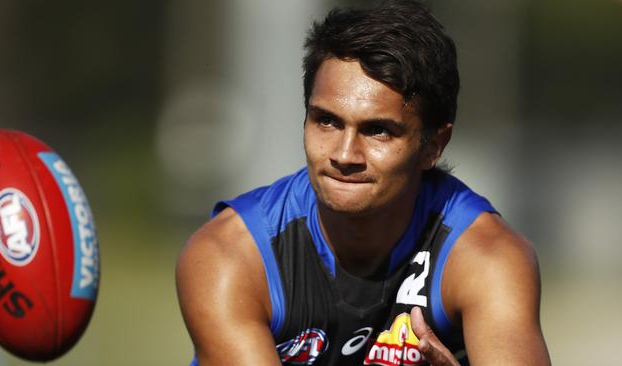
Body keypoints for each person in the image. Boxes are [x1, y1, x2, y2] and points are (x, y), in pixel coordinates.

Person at [175, 1, 551, 365]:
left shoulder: (485, 257)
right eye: (327, 121)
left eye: (377, 131)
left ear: (433, 146)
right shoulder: (232, 257)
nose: (344, 154)